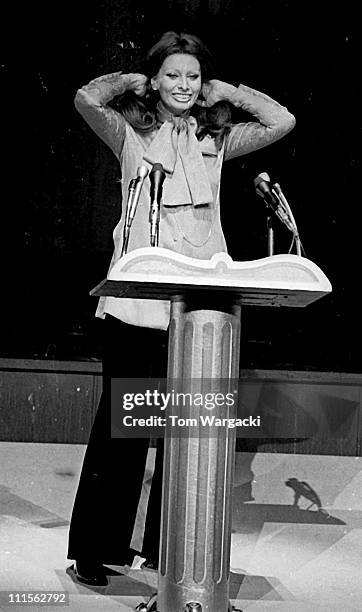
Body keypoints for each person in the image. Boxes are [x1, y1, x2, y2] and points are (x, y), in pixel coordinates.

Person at [67, 31, 295, 586]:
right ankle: (98, 550)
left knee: (184, 430)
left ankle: (163, 545)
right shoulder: (128, 132)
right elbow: (85, 99)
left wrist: (226, 90)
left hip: (197, 307)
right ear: (156, 80)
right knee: (124, 426)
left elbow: (280, 121)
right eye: (172, 75)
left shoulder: (217, 138)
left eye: (193, 76)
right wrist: (134, 82)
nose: (184, 86)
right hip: (135, 303)